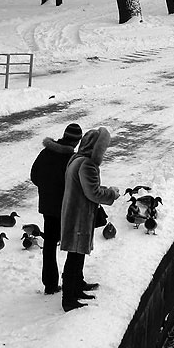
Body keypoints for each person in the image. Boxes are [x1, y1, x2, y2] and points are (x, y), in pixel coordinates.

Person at [60, 126, 120, 312]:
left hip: (73, 213)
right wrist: (112, 193)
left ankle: (78, 286)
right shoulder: (87, 164)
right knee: (75, 256)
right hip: (79, 216)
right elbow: (93, 192)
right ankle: (69, 298)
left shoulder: (76, 159)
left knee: (76, 253)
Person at [30, 122, 83, 295]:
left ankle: (50, 284)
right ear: (76, 141)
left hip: (47, 206)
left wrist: (46, 189)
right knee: (72, 245)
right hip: (65, 207)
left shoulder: (46, 152)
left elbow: (34, 175)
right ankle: (72, 281)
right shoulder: (71, 160)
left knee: (50, 245)